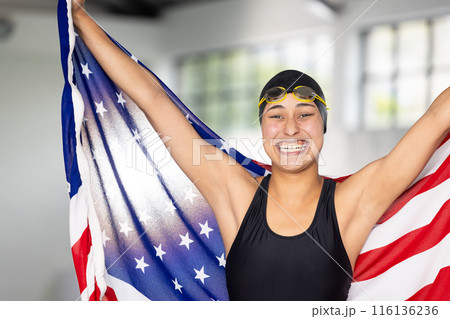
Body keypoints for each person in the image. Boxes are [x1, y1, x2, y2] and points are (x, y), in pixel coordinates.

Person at [72, 0, 450, 300]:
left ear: (322, 128)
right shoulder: (234, 194)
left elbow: (436, 120)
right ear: (263, 129)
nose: (290, 128)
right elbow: (154, 99)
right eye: (276, 116)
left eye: (305, 114)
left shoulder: (352, 202)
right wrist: (80, 17)